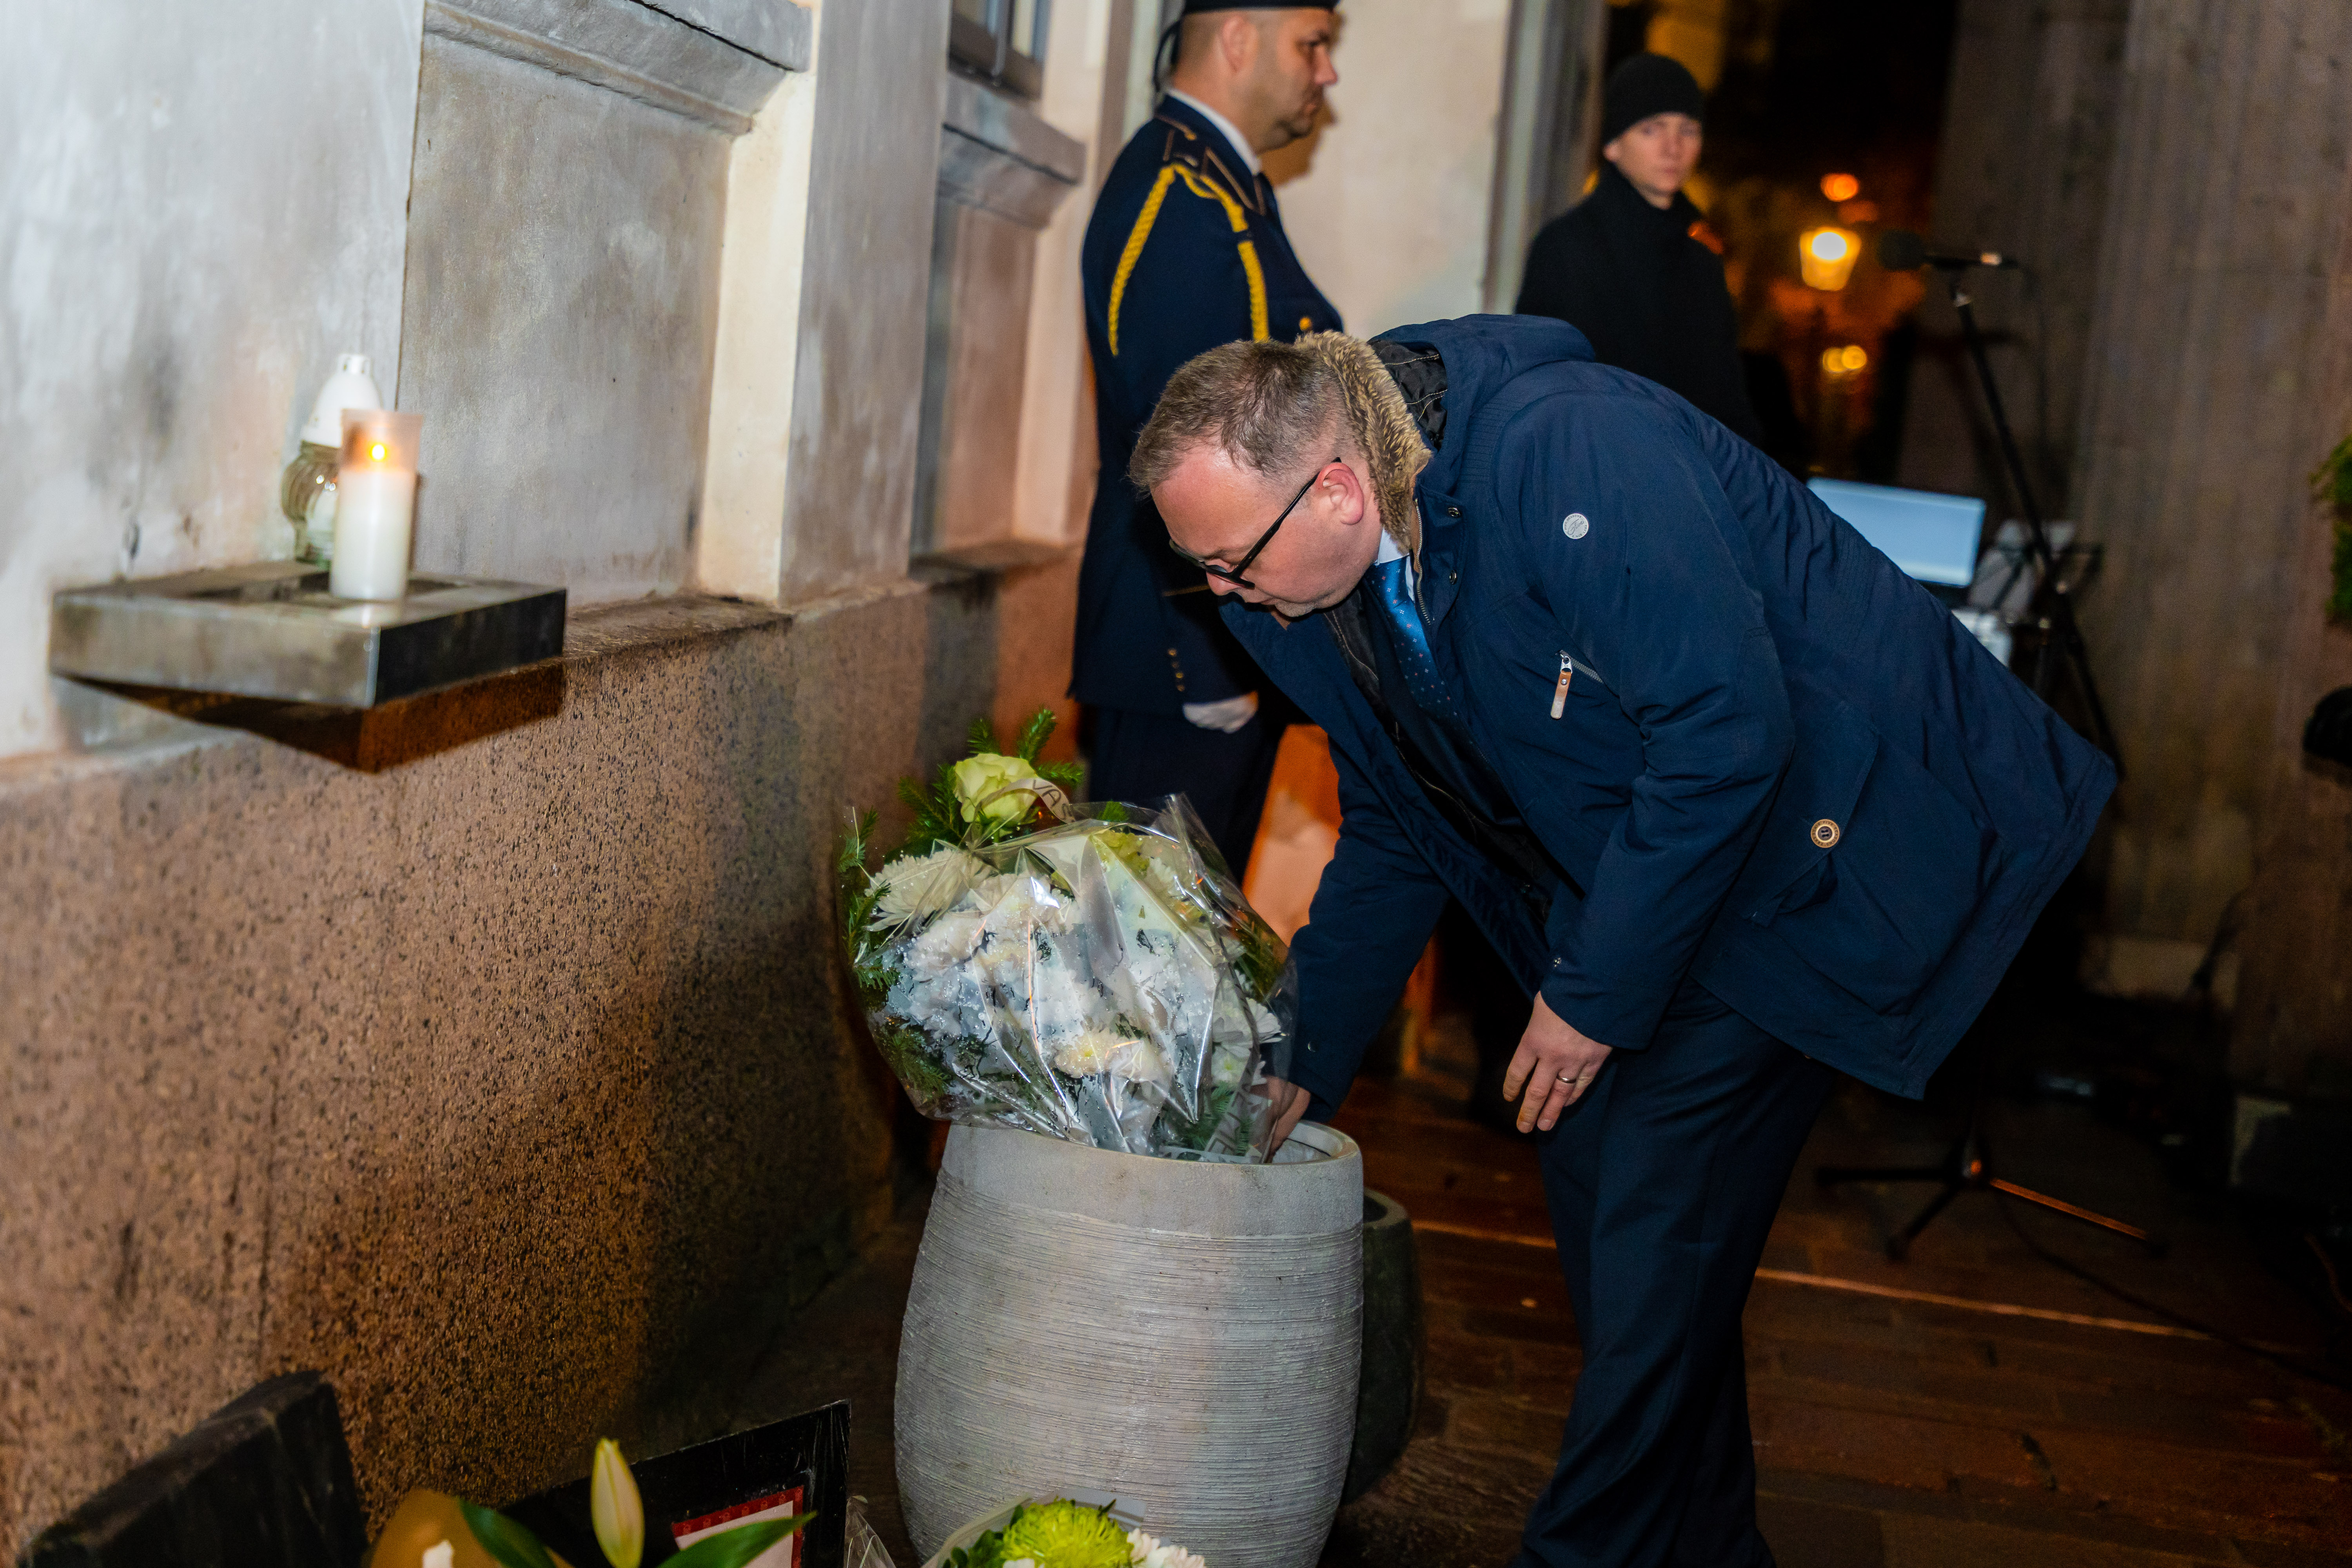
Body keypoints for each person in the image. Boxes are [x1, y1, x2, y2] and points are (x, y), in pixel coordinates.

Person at [1132, 316, 2114, 1565]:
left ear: (1334, 487)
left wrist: (1590, 997)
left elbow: (1724, 736)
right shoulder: (1300, 595)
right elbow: (1395, 827)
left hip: (1805, 861)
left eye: (1231, 559)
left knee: (1656, 1239)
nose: (1221, 596)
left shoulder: (1572, 449)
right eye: (1199, 568)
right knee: (1613, 1218)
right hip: (1644, 884)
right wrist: (1304, 1049)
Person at [1074, 1, 1343, 872]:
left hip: (1224, 649)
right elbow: (1181, 456)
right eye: (1313, 44)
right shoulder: (1180, 196)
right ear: (1239, 38)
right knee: (1143, 974)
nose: (1326, 72)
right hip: (1181, 668)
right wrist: (1211, 664)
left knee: (1194, 965)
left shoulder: (1224, 188)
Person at [1516, 53, 1767, 448]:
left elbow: (1726, 399)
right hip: (1594, 477)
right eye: (1652, 129)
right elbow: (1541, 392)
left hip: (1692, 483)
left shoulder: (1701, 258)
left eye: (1688, 129)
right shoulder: (1567, 247)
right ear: (1613, 145)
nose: (1674, 148)